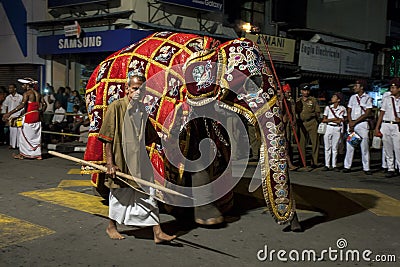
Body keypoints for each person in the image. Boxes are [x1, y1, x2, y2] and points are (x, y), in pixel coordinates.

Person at [98, 71, 176, 243]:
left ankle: (157, 232)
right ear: (127, 89)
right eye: (134, 88)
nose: (138, 92)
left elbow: (150, 136)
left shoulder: (141, 109)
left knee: (149, 194)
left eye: (141, 89)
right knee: (119, 195)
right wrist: (110, 163)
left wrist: (167, 140)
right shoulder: (116, 107)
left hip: (140, 161)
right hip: (121, 160)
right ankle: (111, 226)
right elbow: (107, 138)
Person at [2, 78, 46, 160]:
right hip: (36, 116)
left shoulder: (27, 93)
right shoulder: (38, 94)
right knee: (35, 136)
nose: (22, 86)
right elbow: (44, 104)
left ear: (27, 85)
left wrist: (9, 113)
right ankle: (37, 155)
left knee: (23, 136)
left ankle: (22, 154)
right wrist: (40, 112)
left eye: (23, 85)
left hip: (29, 117)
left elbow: (22, 105)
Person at [343, 79, 373, 175]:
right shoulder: (353, 97)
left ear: (362, 87)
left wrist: (355, 122)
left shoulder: (368, 98)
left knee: (364, 147)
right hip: (352, 124)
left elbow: (367, 113)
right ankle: (347, 166)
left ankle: (366, 167)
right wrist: (350, 122)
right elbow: (349, 110)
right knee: (350, 145)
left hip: (362, 124)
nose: (354, 87)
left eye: (356, 86)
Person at [374, 78, 400, 178]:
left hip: (396, 126)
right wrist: (377, 127)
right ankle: (390, 168)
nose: (391, 89)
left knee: (398, 148)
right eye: (391, 87)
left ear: (399, 89)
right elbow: (381, 113)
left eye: (394, 87)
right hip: (386, 124)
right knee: (387, 147)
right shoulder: (387, 99)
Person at [295, 83, 320, 169]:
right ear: (301, 91)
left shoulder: (313, 100)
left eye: (307, 90)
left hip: (312, 123)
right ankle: (302, 161)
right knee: (302, 143)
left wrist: (317, 119)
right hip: (302, 124)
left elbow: (317, 111)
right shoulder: (298, 101)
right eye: (304, 90)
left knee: (315, 143)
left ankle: (315, 162)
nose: (306, 92)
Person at [321, 92, 347, 171]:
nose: (332, 98)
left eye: (334, 97)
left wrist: (334, 120)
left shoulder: (342, 108)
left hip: (337, 128)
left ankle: (334, 164)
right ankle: (327, 164)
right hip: (329, 127)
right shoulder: (328, 108)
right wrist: (335, 119)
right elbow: (324, 119)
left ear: (338, 100)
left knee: (335, 147)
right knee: (327, 147)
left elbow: (344, 119)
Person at [2, 84, 23, 149]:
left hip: (19, 117)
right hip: (11, 117)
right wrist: (5, 115)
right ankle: (12, 145)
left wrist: (21, 114)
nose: (9, 89)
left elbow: (23, 107)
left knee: (19, 130)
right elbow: (5, 106)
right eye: (9, 88)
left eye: (11, 88)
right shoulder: (8, 97)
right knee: (12, 131)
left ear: (15, 89)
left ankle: (19, 145)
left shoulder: (20, 97)